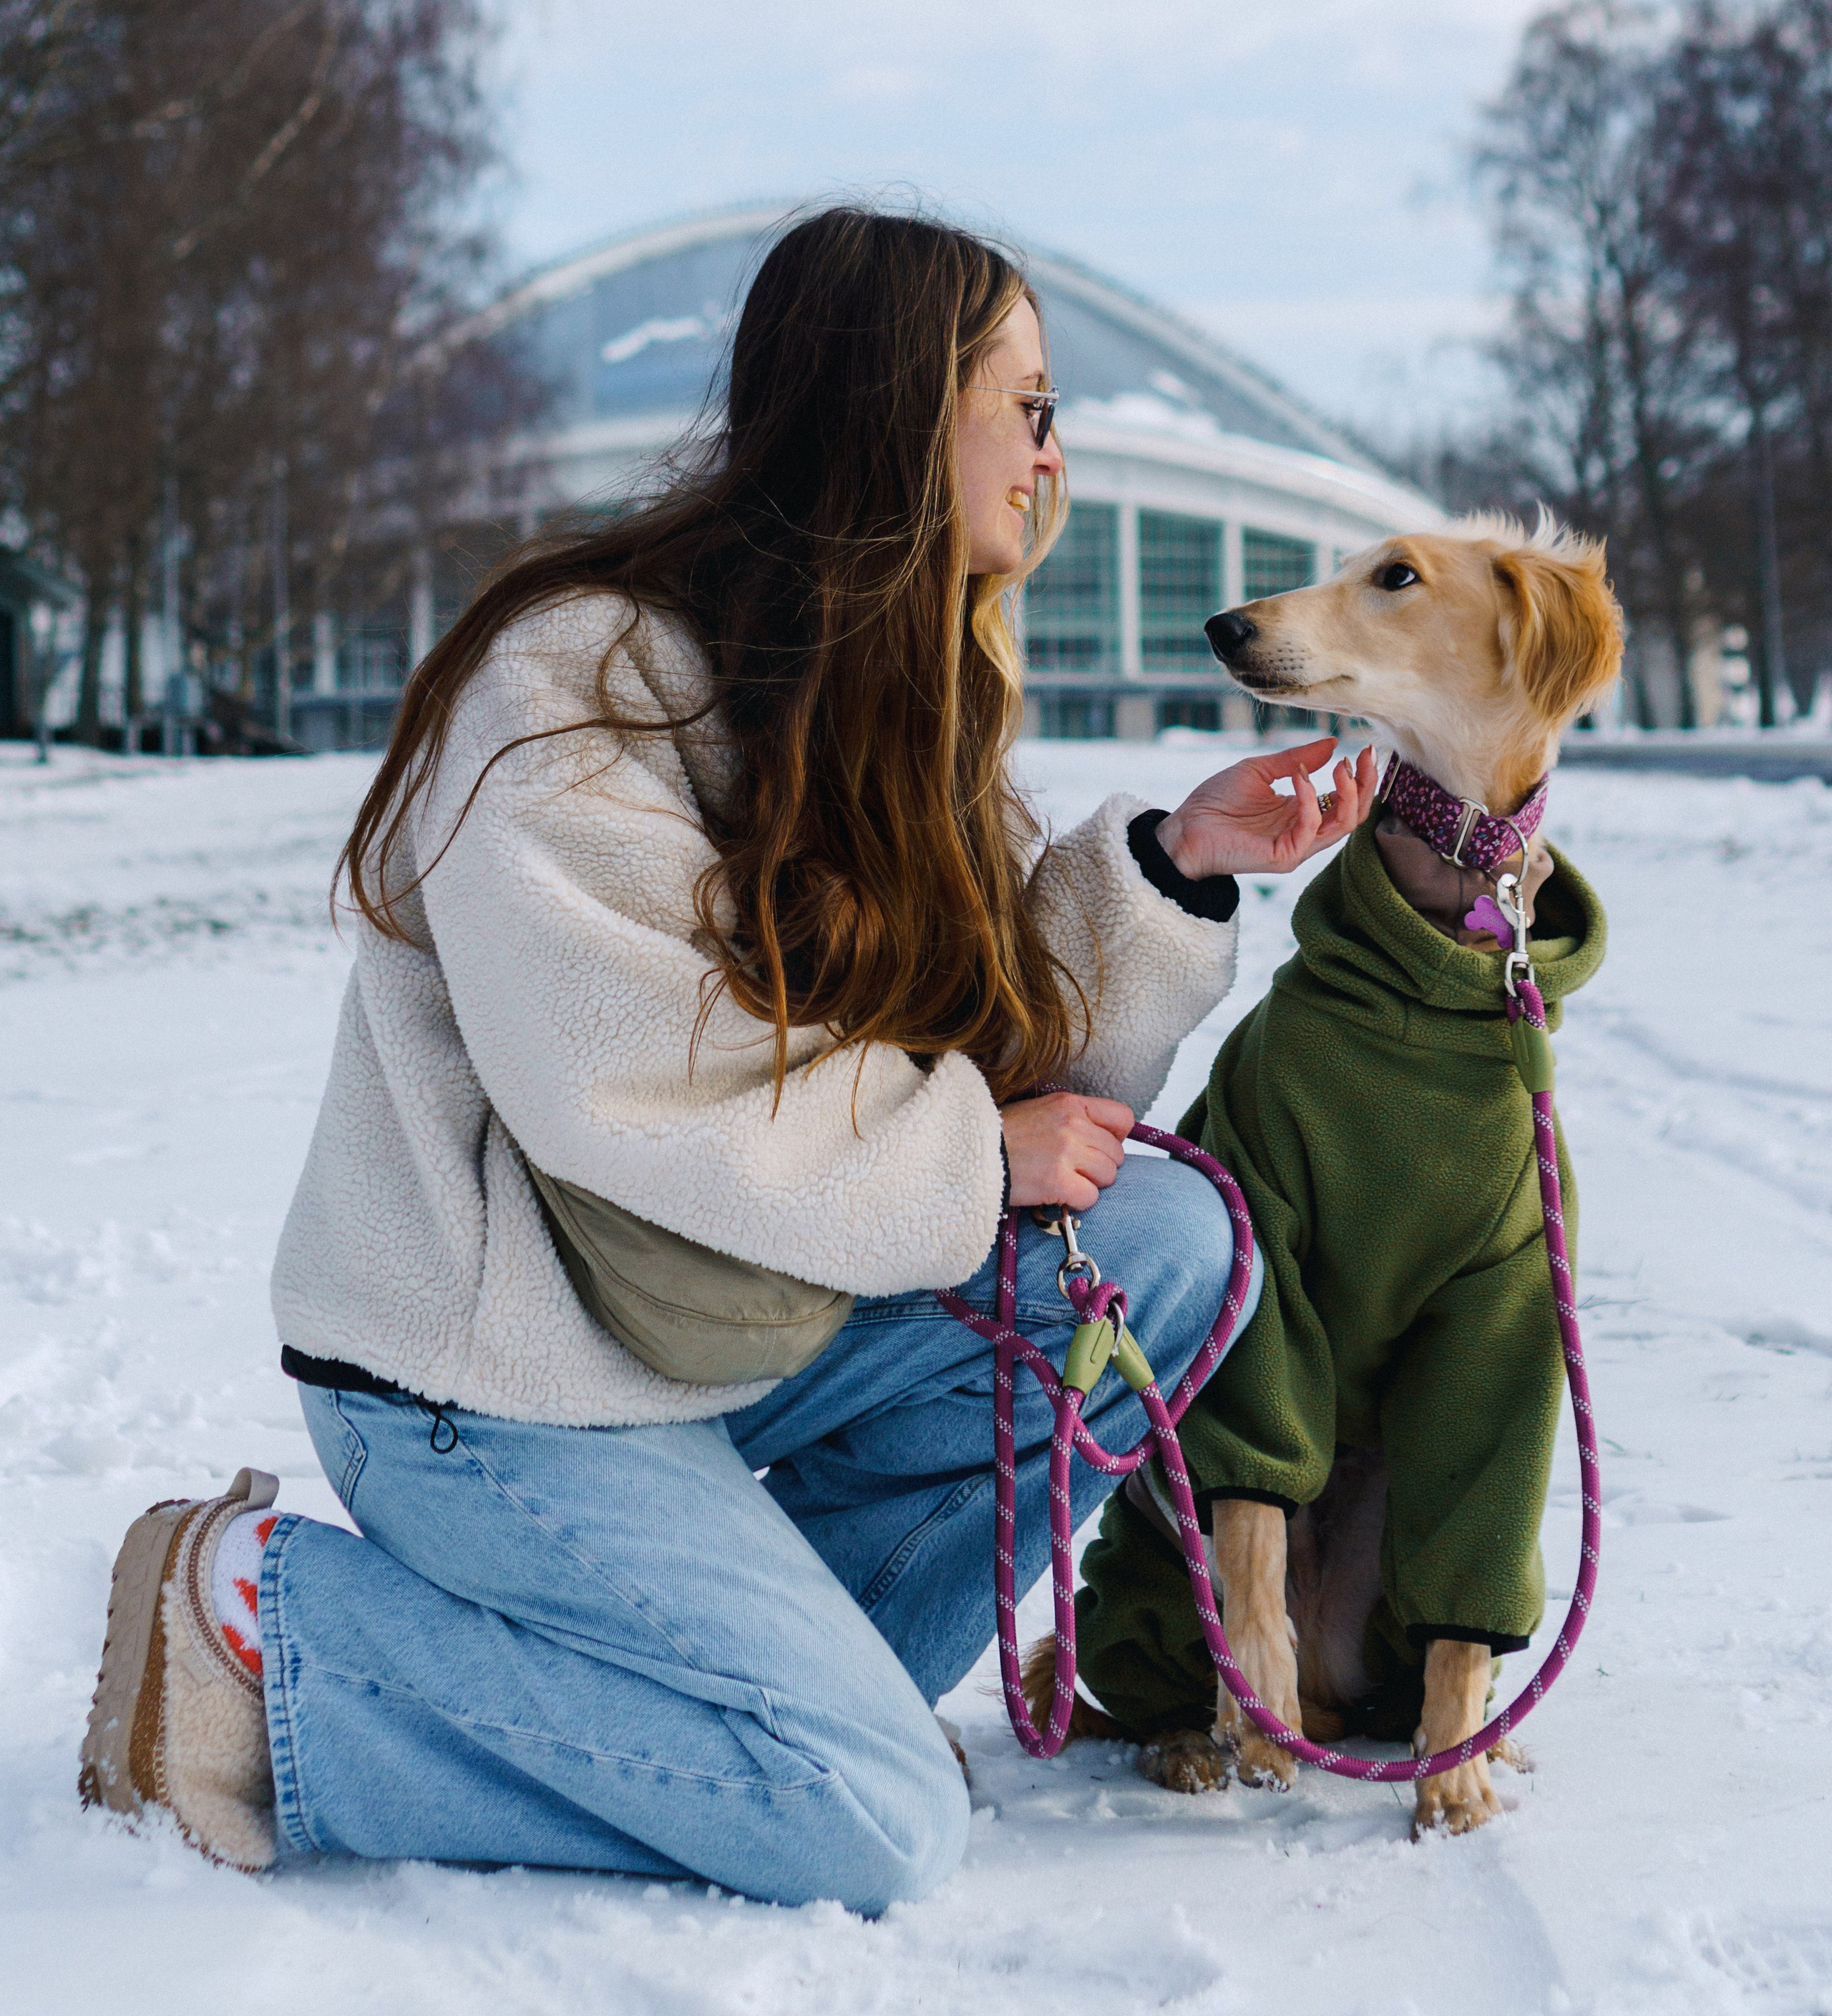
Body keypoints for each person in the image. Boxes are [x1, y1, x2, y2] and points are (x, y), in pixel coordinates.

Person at [80, 208, 1376, 1907]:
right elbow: (631, 1079)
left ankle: (752, 1701)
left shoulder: (890, 695)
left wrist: (1174, 864)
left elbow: (974, 1054)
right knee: (870, 1815)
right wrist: (973, 1156)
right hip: (495, 1384)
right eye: (1030, 406)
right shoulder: (576, 685)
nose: (1053, 455)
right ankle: (269, 1635)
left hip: (727, 1315)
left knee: (1163, 1244)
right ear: (907, 416)